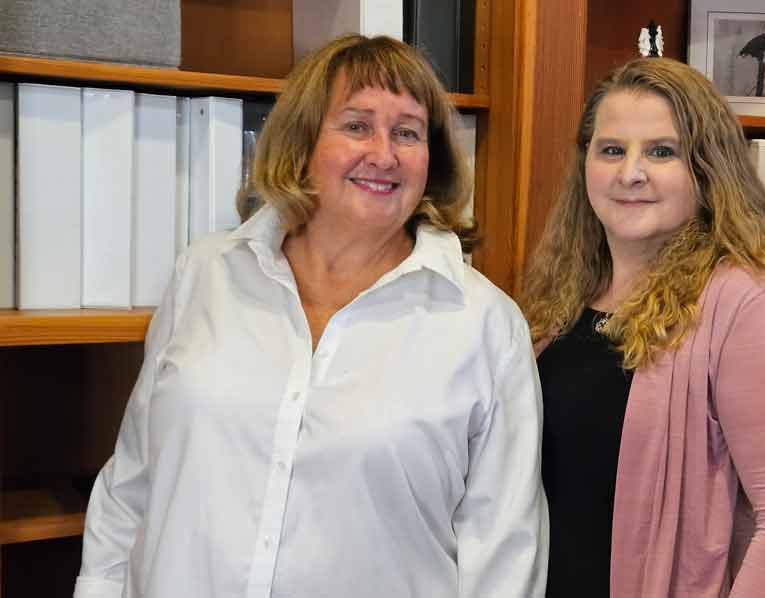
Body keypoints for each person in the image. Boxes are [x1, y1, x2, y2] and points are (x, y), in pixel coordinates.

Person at [74, 35, 547, 598]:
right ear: (302, 141)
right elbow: (131, 482)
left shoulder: (485, 323)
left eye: (408, 132)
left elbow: (502, 555)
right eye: (356, 125)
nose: (384, 153)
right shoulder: (206, 274)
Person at [520, 57, 765, 597]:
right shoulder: (562, 295)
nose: (630, 172)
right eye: (611, 149)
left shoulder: (750, 305)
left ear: (707, 167)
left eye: (662, 152)